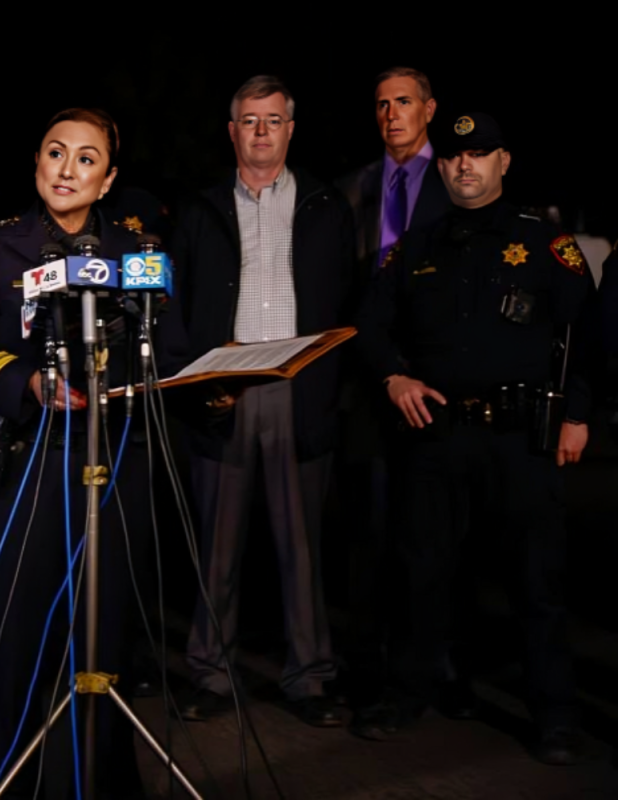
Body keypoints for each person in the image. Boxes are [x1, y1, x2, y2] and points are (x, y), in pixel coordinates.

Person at [354, 112, 593, 765]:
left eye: (480, 153)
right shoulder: (416, 248)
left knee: (535, 583)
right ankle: (406, 694)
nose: (466, 165)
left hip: (522, 438)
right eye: (456, 155)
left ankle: (555, 717)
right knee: (419, 571)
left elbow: (588, 336)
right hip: (437, 435)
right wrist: (395, 377)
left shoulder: (545, 244)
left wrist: (579, 413)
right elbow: (370, 325)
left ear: (503, 162)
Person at [0, 107, 157, 800]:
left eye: (86, 158)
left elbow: (170, 350)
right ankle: (11, 783)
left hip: (113, 462)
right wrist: (26, 382)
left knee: (102, 643)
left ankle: (101, 784)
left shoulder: (136, 252)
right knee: (19, 642)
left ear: (108, 177)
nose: (67, 170)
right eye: (55, 153)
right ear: (36, 163)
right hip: (24, 464)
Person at [171, 76, 353, 727]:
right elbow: (179, 306)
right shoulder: (200, 209)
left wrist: (332, 391)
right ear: (232, 130)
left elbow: (347, 304)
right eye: (249, 120)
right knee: (216, 545)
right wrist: (198, 383)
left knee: (301, 546)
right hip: (227, 388)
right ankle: (211, 673)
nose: (261, 132)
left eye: (272, 120)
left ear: (290, 129)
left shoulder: (327, 205)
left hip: (298, 391)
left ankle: (310, 677)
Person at [333, 66, 454, 722]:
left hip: (441, 385)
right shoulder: (353, 189)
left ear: (428, 108)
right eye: (381, 104)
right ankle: (365, 668)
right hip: (369, 385)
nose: (391, 114)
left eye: (403, 102)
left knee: (435, 535)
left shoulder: (459, 180)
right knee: (367, 536)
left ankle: (437, 665)